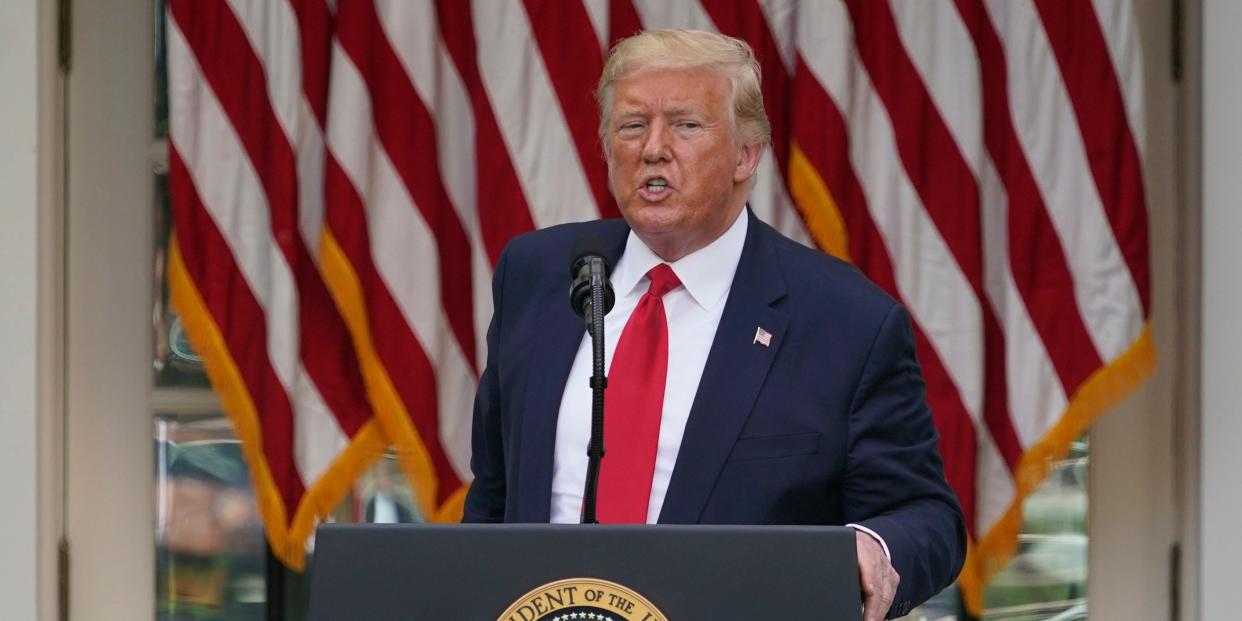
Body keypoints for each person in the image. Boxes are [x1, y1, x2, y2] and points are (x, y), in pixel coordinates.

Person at [462, 29, 965, 620]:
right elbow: (494, 497)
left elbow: (924, 514)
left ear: (746, 156)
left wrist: (872, 548)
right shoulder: (539, 277)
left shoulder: (845, 322)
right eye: (631, 126)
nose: (653, 148)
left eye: (685, 125)